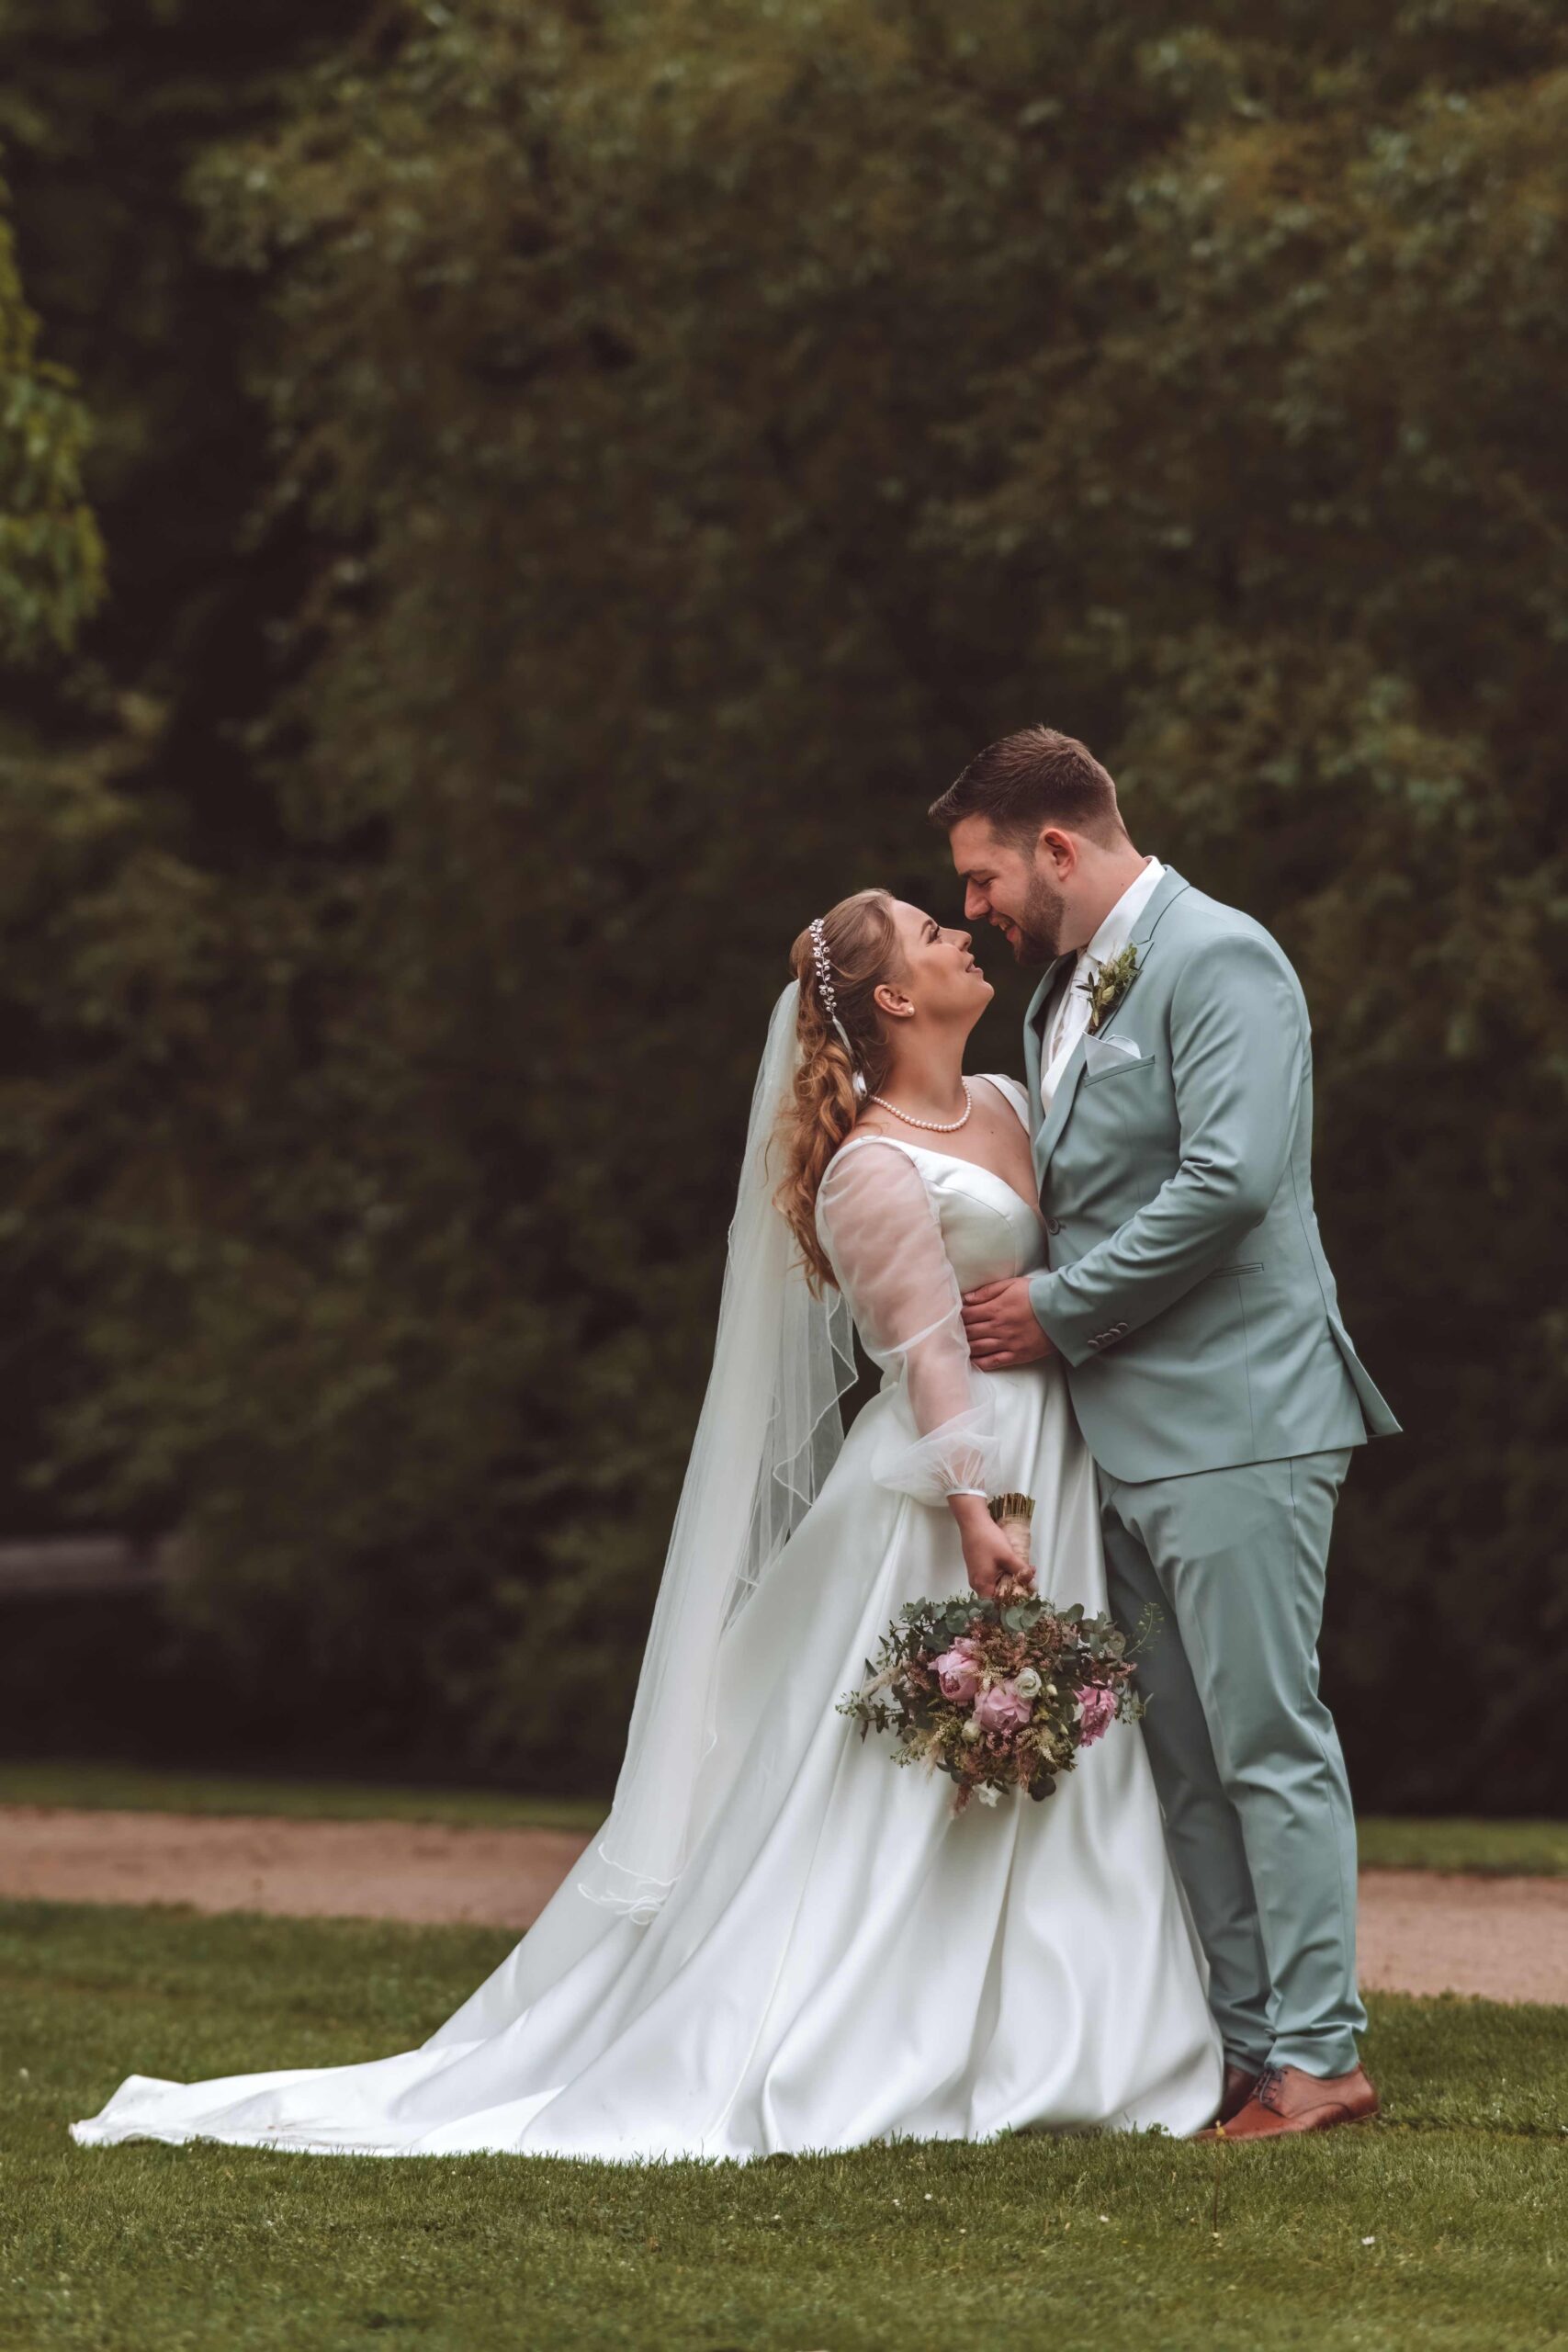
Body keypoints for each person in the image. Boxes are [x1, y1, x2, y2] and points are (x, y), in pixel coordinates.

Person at [71, 887, 1222, 2161]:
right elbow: (924, 1351)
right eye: (926, 930)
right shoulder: (872, 1165)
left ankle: (1077, 2019)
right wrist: (978, 1510)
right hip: (954, 1490)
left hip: (1059, 1447)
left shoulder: (1010, 1103)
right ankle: (883, 2024)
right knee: (918, 1763)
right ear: (894, 995)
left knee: (1066, 1751)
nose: (959, 933)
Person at [933, 724, 1400, 2142]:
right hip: (1125, 1439)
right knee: (1187, 1760)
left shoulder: (1223, 958)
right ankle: (1253, 2052)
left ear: (1056, 849)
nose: (972, 911)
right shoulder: (1059, 994)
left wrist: (1060, 1309)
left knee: (1268, 1738)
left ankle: (1324, 2059)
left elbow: (1234, 1180)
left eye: (979, 878)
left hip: (1242, 1415)